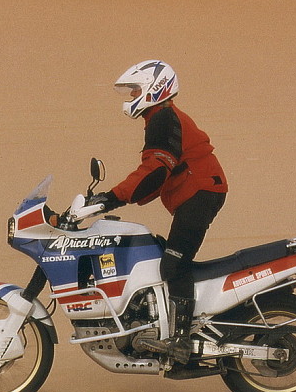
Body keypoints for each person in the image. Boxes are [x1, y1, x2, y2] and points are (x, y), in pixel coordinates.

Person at [91, 60, 228, 364]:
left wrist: (113, 197)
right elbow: (158, 177)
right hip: (199, 193)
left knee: (174, 266)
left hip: (202, 194)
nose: (131, 96)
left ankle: (180, 341)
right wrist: (117, 198)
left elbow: (155, 169)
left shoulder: (163, 118)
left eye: (135, 89)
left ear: (155, 88)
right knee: (163, 258)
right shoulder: (160, 117)